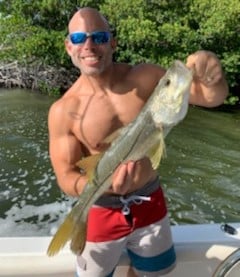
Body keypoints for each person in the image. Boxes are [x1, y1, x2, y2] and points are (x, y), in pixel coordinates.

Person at [48, 7, 228, 277]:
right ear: (68, 46)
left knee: (152, 273)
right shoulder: (63, 111)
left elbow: (212, 97)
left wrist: (212, 75)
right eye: (78, 39)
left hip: (150, 200)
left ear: (113, 41)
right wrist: (100, 185)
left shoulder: (146, 77)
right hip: (100, 210)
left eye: (98, 36)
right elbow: (65, 175)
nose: (88, 45)